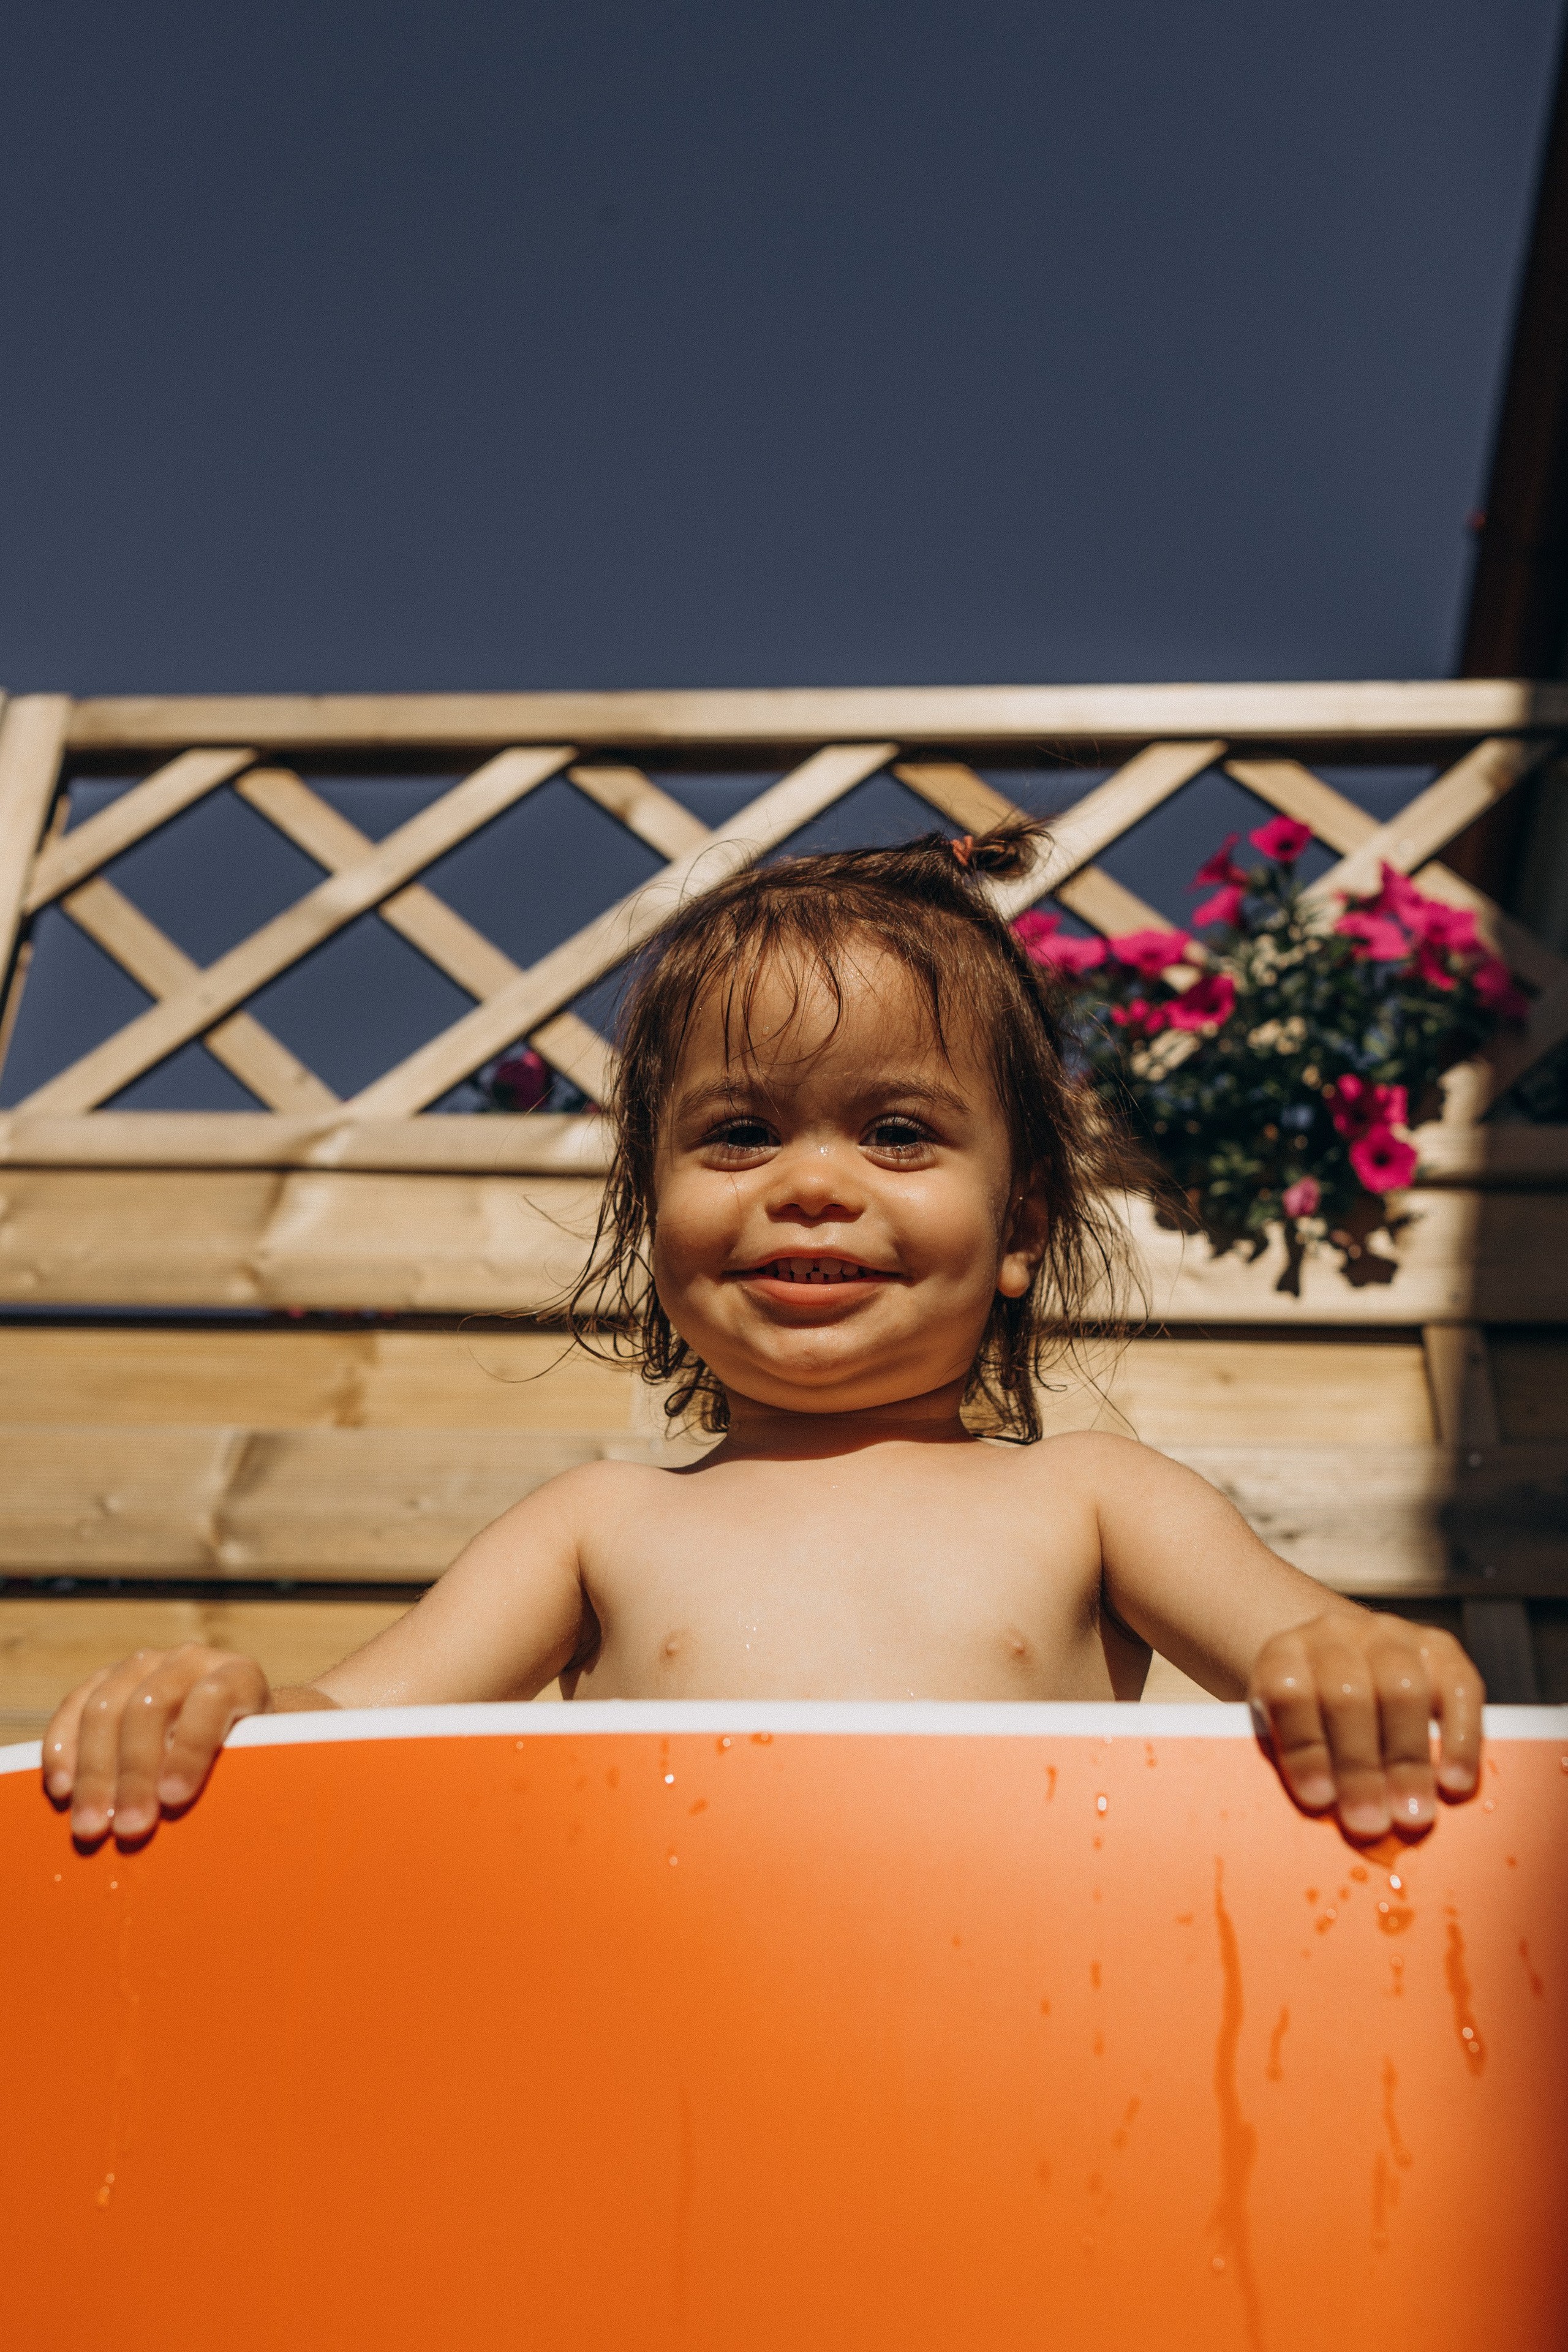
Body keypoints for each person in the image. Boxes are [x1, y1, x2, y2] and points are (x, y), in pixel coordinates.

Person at [42, 819, 1482, 1847]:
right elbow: (340, 1733)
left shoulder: (1094, 1498)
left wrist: (1363, 1663)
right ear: (649, 1212)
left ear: (1023, 1231)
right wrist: (212, 1708)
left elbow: (1309, 1640)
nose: (809, 1183)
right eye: (736, 1132)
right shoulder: (592, 1528)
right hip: (679, 2097)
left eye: (898, 1133)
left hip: (1041, 2065)